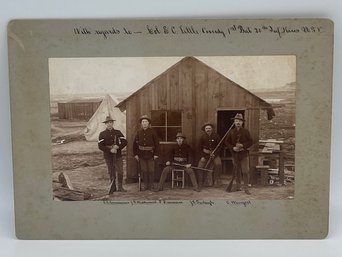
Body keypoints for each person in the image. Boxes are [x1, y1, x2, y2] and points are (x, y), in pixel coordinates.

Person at [225, 113, 253, 195]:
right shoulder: (231, 132)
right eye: (236, 121)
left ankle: (246, 188)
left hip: (244, 154)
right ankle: (238, 186)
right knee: (237, 170)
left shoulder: (246, 131)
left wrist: (243, 145)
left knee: (245, 171)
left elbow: (251, 141)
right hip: (235, 154)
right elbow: (226, 142)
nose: (238, 122)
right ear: (234, 122)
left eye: (240, 121)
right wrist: (232, 147)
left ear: (242, 123)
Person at [98, 116, 127, 194]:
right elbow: (100, 146)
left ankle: (120, 187)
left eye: (111, 122)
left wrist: (118, 147)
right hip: (108, 156)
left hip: (118, 155)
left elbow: (125, 142)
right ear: (105, 124)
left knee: (120, 171)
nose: (109, 124)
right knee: (111, 172)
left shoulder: (118, 132)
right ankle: (113, 187)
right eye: (108, 123)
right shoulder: (102, 134)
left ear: (113, 123)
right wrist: (110, 149)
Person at [133, 115, 160, 191]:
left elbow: (157, 144)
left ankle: (151, 185)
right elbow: (134, 144)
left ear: (148, 123)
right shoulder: (138, 132)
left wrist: (156, 154)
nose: (144, 123)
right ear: (141, 123)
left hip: (151, 154)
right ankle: (145, 185)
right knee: (144, 170)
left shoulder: (153, 132)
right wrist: (135, 154)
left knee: (151, 170)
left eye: (146, 122)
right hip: (141, 155)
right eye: (143, 122)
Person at [197, 122, 223, 189]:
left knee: (218, 164)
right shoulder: (202, 137)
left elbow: (220, 147)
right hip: (205, 155)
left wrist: (215, 154)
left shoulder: (216, 136)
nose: (208, 129)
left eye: (209, 128)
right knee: (200, 167)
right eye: (206, 128)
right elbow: (199, 148)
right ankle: (200, 182)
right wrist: (202, 156)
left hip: (215, 155)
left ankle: (216, 180)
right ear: (204, 130)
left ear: (212, 129)